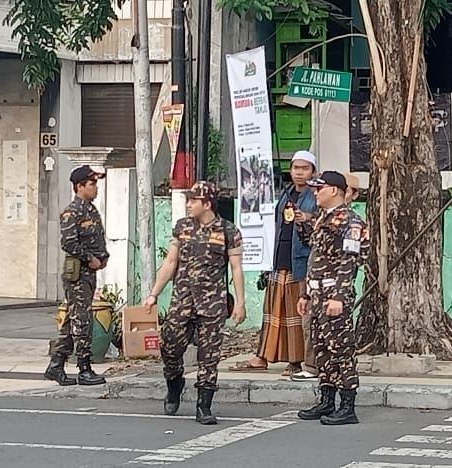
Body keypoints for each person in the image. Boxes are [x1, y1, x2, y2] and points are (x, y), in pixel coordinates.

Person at [144, 181, 247, 425]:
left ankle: (204, 405)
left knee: (209, 355)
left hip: (212, 303)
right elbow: (170, 263)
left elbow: (236, 267)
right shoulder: (182, 227)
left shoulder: (228, 231)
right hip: (183, 301)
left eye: (193, 200)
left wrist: (241, 303)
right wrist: (154, 294)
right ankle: (174, 383)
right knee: (170, 347)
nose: (188, 204)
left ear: (207, 204)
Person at [229, 150, 318, 382]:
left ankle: (295, 359)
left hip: (300, 260)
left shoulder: (315, 196)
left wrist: (307, 218)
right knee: (273, 312)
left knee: (295, 313)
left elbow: (320, 225)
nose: (299, 173)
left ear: (313, 171)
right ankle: (263, 356)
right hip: (279, 257)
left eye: (305, 168)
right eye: (296, 168)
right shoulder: (286, 193)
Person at [296, 171, 370, 425]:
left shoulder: (350, 222)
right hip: (317, 293)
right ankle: (327, 400)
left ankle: (347, 405)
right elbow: (315, 258)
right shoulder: (321, 220)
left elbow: (348, 262)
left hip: (334, 294)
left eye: (320, 188)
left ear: (335, 191)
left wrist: (339, 296)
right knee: (321, 348)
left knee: (341, 349)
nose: (315, 193)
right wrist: (306, 293)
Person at [44, 165, 110, 386]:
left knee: (73, 322)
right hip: (78, 273)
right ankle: (84, 368)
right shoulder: (72, 212)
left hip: (89, 272)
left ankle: (56, 365)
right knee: (82, 321)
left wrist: (103, 257)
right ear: (80, 186)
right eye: (92, 184)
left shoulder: (90, 210)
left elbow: (97, 238)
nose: (95, 188)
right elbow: (69, 242)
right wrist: (89, 258)